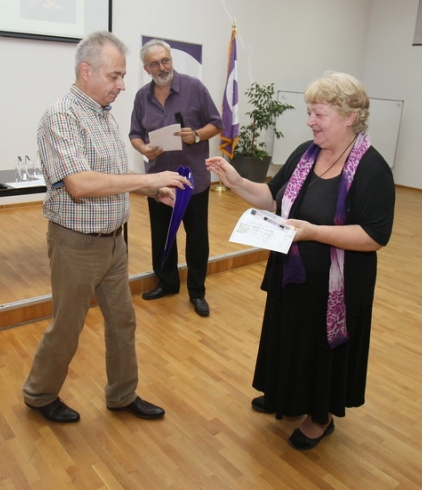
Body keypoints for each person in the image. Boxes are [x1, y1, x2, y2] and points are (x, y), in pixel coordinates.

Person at [205, 72, 395, 450]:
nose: (310, 121)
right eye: (309, 113)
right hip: (293, 273)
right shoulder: (306, 153)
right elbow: (273, 199)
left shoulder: (372, 169)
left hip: (337, 287)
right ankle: (286, 394)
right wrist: (237, 181)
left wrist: (314, 232)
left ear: (350, 117)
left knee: (320, 348)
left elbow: (375, 236)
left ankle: (320, 417)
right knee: (290, 337)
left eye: (319, 114)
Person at [23, 31, 191, 424]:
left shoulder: (103, 114)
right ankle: (39, 394)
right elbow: (80, 184)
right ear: (87, 71)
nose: (122, 84)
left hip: (114, 242)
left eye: (122, 76)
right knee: (67, 328)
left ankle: (122, 394)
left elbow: (113, 176)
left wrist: (154, 191)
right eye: (115, 76)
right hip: (76, 245)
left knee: (122, 322)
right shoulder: (62, 116)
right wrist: (149, 179)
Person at [128, 39, 223, 317]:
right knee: (161, 236)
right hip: (159, 181)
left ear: (171, 60)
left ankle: (197, 292)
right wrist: (143, 149)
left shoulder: (194, 87)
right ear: (146, 69)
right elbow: (135, 134)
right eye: (155, 63)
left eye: (165, 60)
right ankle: (167, 283)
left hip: (193, 180)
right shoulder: (141, 97)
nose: (162, 67)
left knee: (197, 239)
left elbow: (216, 123)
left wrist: (197, 135)